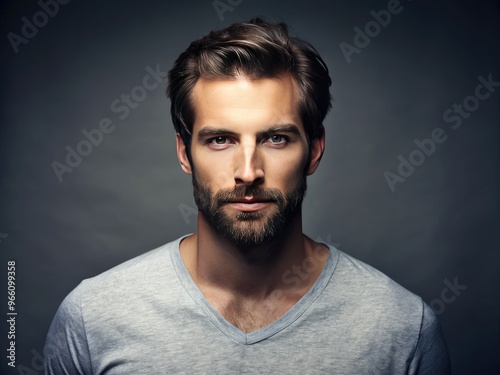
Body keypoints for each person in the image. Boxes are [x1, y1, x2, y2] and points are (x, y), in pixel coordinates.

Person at [44, 18, 450, 374]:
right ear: (185, 153)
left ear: (315, 149)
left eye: (276, 138)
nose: (248, 172)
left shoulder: (401, 329)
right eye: (220, 140)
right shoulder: (92, 318)